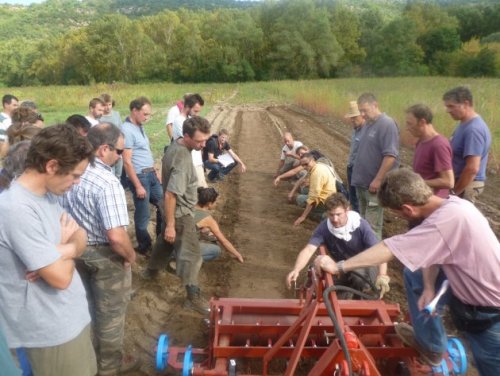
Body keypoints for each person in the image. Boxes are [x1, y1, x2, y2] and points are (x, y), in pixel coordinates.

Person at [313, 169, 500, 376]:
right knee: (415, 275)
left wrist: (339, 266)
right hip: (471, 287)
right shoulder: (454, 205)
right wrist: (429, 287)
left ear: (407, 209)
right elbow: (435, 252)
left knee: (490, 365)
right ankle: (433, 346)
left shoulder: (442, 223)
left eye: (398, 214)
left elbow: (388, 249)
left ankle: (435, 347)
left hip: (488, 311)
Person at [0, 124, 97, 376]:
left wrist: (64, 250)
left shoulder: (47, 196)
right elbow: (61, 278)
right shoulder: (16, 209)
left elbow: (81, 234)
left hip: (68, 321)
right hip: (47, 334)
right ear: (52, 166)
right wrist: (69, 248)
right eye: (75, 175)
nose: (76, 183)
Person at [61, 123, 139, 375]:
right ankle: (107, 369)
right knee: (111, 319)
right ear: (104, 149)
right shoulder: (107, 182)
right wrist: (130, 256)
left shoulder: (71, 172)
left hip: (74, 252)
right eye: (119, 150)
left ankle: (85, 364)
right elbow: (116, 236)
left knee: (84, 313)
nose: (121, 155)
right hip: (106, 257)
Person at [142, 116, 211, 315]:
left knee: (164, 244)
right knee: (192, 255)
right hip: (180, 215)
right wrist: (171, 224)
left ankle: (150, 273)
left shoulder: (176, 146)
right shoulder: (181, 158)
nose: (203, 144)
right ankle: (192, 296)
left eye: (205, 140)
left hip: (172, 211)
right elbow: (171, 193)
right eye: (199, 141)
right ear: (186, 136)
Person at [287, 193, 389, 298]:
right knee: (324, 282)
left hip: (365, 264)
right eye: (331, 215)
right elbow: (308, 250)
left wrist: (382, 275)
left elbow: (380, 252)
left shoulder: (361, 225)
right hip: (342, 266)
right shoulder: (324, 228)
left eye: (338, 214)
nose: (335, 219)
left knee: (357, 277)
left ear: (347, 210)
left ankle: (360, 297)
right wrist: (296, 269)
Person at [351, 93, 399, 240]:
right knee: (363, 224)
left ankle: (373, 261)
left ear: (375, 105)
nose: (363, 115)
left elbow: (390, 156)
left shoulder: (387, 124)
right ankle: (365, 257)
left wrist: (378, 180)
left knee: (371, 228)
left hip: (372, 186)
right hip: (361, 184)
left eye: (365, 110)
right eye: (361, 111)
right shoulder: (367, 125)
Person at [122, 96, 163, 255]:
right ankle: (144, 246)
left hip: (151, 175)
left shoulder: (139, 126)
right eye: (145, 114)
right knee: (143, 214)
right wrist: (138, 185)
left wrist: (156, 170)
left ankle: (161, 239)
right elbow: (127, 161)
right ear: (134, 111)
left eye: (149, 114)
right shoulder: (126, 129)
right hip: (140, 177)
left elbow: (146, 152)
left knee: (163, 205)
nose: (147, 117)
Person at [443, 86, 491, 203]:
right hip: (460, 182)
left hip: (467, 185)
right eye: (447, 106)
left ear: (466, 103)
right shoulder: (464, 124)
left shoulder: (473, 129)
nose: (447, 110)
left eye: (451, 106)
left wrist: (454, 193)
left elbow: (472, 168)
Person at [405, 104, 453, 198]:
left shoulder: (439, 145)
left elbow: (448, 182)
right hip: (422, 199)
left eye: (410, 123)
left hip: (434, 201)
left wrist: (415, 182)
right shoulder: (421, 141)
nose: (407, 128)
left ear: (422, 122)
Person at [194, 187, 244, 263]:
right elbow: (223, 241)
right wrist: (237, 254)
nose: (216, 203)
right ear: (209, 203)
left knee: (207, 233)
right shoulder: (208, 220)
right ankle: (184, 263)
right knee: (216, 250)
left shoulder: (190, 207)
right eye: (215, 202)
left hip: (172, 243)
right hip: (182, 248)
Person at [294, 152, 337, 226]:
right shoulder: (321, 165)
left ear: (312, 160)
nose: (305, 167)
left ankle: (320, 214)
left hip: (326, 201)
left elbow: (313, 198)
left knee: (299, 199)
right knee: (304, 189)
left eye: (306, 164)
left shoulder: (316, 173)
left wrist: (303, 216)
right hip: (332, 196)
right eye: (302, 165)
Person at [345, 101, 366, 213]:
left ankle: (359, 223)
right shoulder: (355, 130)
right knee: (352, 197)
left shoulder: (367, 131)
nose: (352, 120)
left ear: (362, 115)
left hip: (360, 170)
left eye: (354, 117)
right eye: (351, 117)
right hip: (351, 167)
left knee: (359, 199)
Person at [100, 93, 124, 181]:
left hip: (118, 146)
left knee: (119, 173)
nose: (108, 107)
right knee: (111, 173)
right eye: (105, 105)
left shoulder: (116, 114)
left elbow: (121, 130)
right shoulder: (100, 117)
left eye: (109, 104)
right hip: (107, 148)